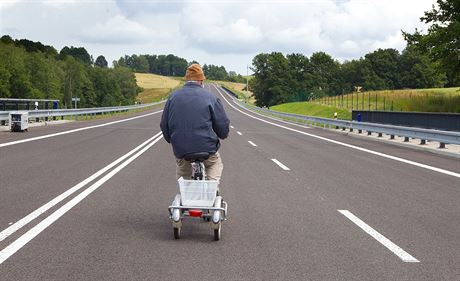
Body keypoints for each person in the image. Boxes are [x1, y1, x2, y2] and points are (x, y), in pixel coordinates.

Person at [160, 63, 230, 181]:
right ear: (201, 80)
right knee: (214, 164)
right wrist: (222, 134)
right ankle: (212, 190)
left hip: (181, 149)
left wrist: (172, 140)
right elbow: (222, 128)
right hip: (207, 148)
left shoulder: (172, 98)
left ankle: (185, 193)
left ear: (186, 80)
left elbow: (164, 125)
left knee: (183, 172)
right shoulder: (211, 98)